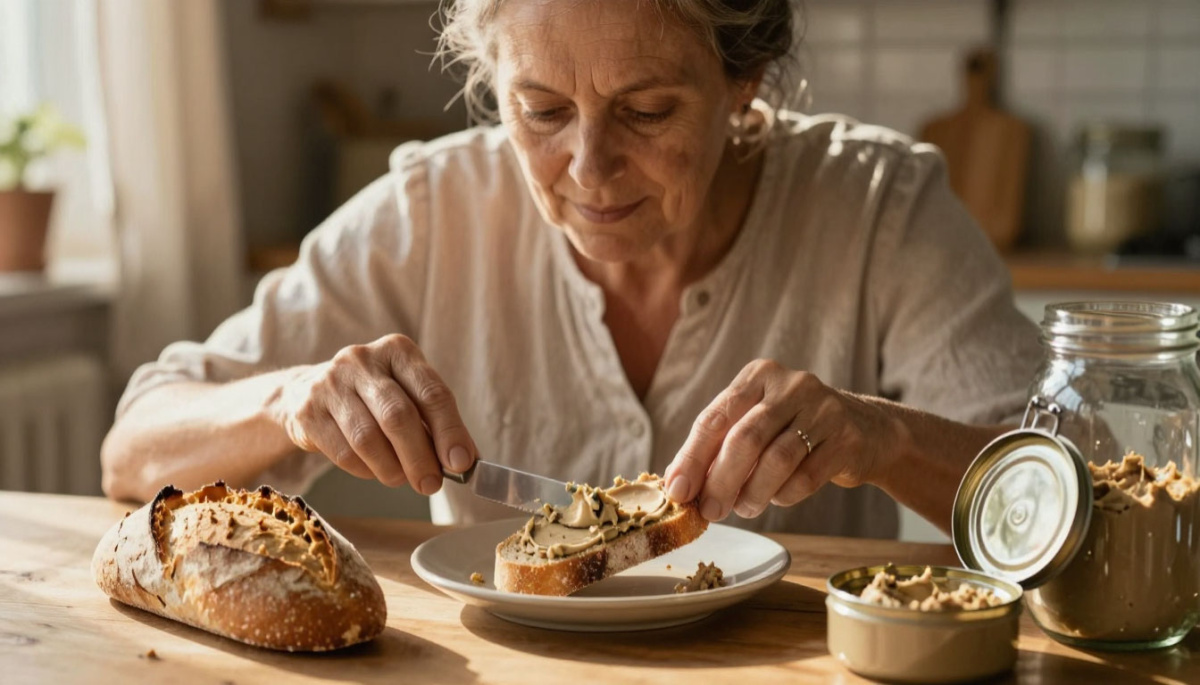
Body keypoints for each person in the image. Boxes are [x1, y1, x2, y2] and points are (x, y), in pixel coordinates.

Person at [100, 0, 1041, 539]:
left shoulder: (881, 205)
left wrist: (881, 435)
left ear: (741, 81)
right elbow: (134, 448)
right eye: (542, 111)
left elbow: (1075, 499)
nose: (589, 171)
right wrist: (288, 399)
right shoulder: (433, 208)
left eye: (647, 111)